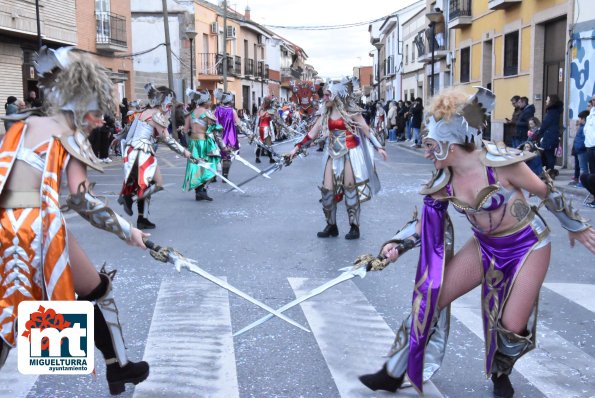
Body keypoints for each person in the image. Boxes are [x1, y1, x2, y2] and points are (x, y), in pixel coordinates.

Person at [358, 87, 594, 398]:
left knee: (510, 325)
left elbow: (545, 191)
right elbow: (424, 225)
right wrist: (396, 248)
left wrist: (575, 226)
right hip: (485, 246)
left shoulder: (501, 164)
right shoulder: (443, 180)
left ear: (452, 145)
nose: (427, 152)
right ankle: (393, 371)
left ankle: (501, 372)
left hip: (528, 245)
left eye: (432, 145)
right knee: (431, 299)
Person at [0, 47, 150, 394]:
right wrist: (128, 231)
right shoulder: (67, 135)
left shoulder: (19, 128)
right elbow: (82, 199)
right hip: (39, 227)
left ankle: (119, 367)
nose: (96, 119)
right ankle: (119, 366)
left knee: (17, 305)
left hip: (6, 224)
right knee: (93, 291)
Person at [289, 77, 388, 240]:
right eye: (324, 95)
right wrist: (296, 148)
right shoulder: (325, 113)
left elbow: (366, 130)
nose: (324, 98)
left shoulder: (351, 112)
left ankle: (354, 226)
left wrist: (379, 147)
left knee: (350, 188)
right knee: (327, 191)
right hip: (332, 153)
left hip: (350, 151)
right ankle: (331, 225)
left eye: (328, 95)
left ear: (337, 95)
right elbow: (312, 134)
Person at [118, 83, 197, 229]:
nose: (170, 105)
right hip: (143, 150)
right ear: (164, 100)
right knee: (158, 184)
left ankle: (142, 218)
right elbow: (168, 140)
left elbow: (130, 133)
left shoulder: (143, 112)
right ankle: (129, 198)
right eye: (170, 101)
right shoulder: (157, 116)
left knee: (146, 185)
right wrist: (187, 154)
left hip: (132, 150)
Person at [182, 89, 225, 201]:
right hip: (204, 142)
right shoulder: (207, 113)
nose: (210, 102)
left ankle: (199, 192)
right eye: (209, 100)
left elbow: (185, 130)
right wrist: (223, 146)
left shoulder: (190, 114)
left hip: (193, 142)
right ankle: (202, 190)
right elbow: (215, 131)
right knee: (210, 166)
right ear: (205, 101)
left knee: (196, 166)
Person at [214, 90, 249, 180]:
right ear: (230, 101)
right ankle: (225, 175)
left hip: (218, 136)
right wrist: (249, 133)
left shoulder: (216, 110)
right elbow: (239, 124)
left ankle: (214, 175)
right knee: (227, 157)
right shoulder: (232, 111)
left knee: (217, 155)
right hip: (229, 136)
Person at [541, 94, 563, 178]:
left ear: (551, 101)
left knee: (549, 155)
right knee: (550, 155)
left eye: (547, 99)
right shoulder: (555, 111)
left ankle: (550, 173)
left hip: (550, 137)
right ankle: (549, 172)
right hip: (552, 136)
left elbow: (546, 124)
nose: (546, 101)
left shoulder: (552, 112)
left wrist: (539, 131)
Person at [572, 110, 589, 187]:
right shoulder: (581, 127)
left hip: (582, 150)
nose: (579, 120)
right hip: (579, 150)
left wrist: (580, 147)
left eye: (580, 118)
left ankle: (583, 183)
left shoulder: (585, 127)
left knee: (583, 168)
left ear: (584, 119)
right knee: (581, 166)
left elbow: (584, 139)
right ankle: (582, 181)